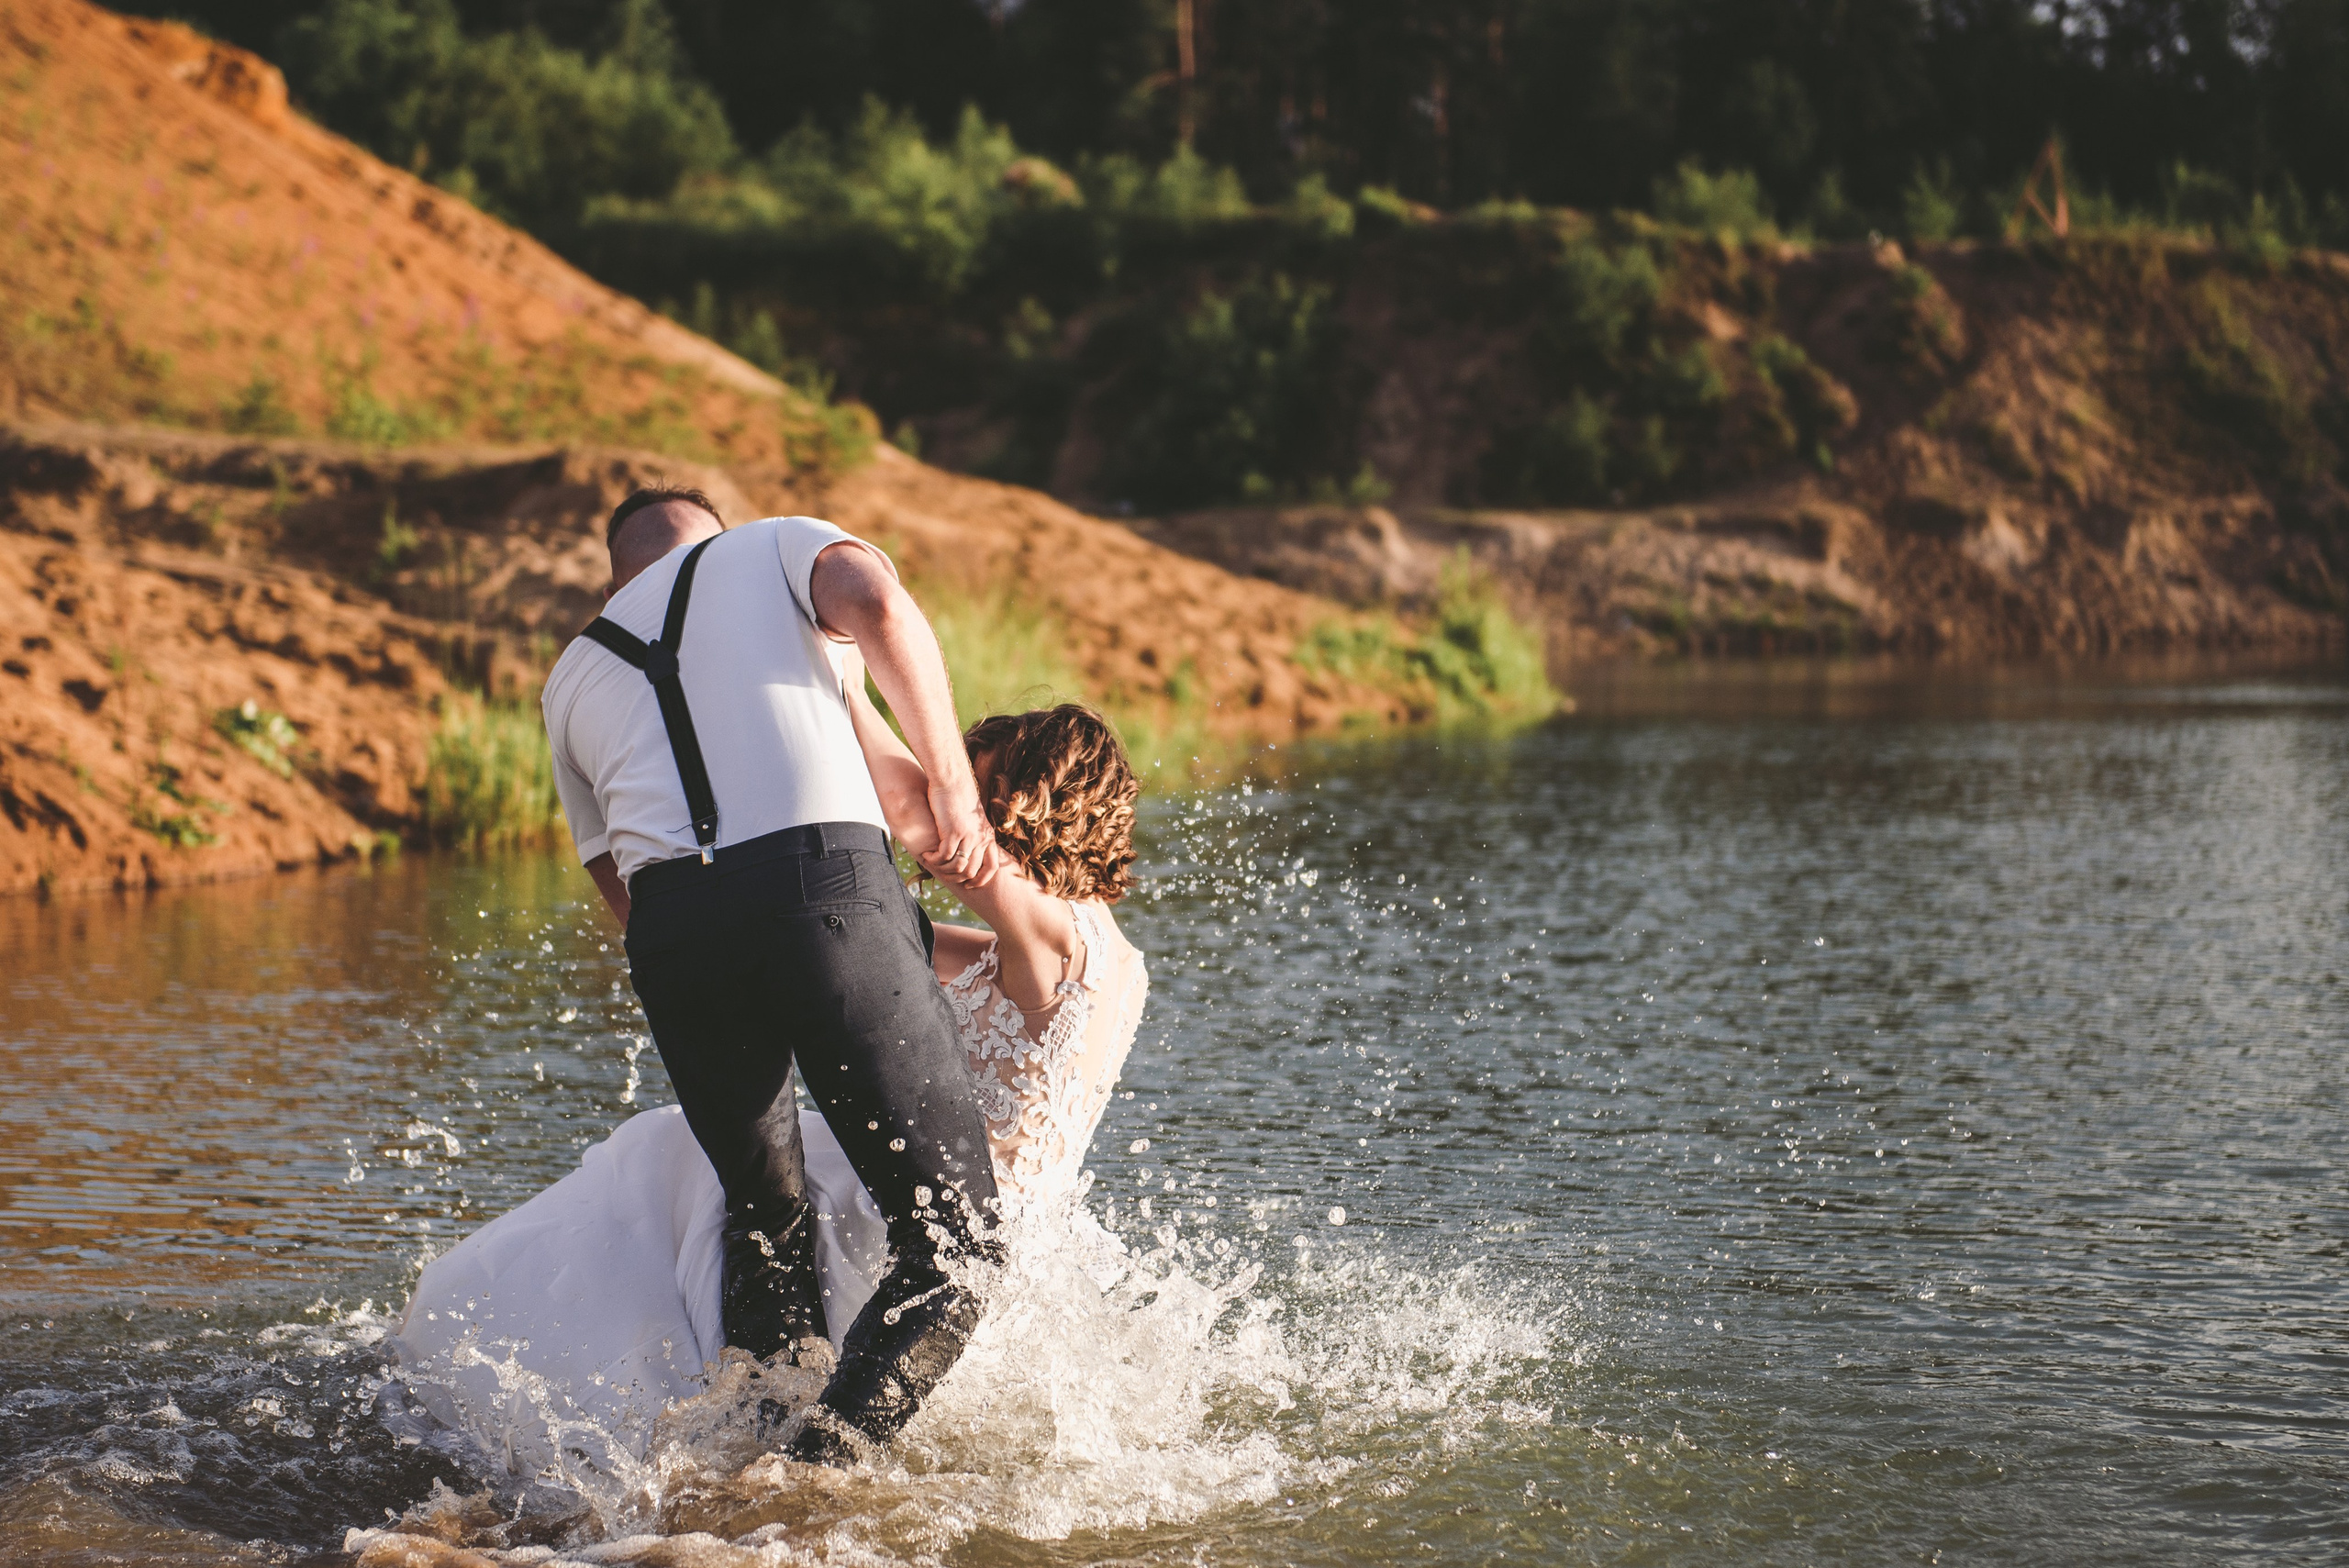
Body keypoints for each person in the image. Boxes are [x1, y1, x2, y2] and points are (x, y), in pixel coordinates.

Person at [392, 682, 1152, 1478]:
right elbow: (900, 941)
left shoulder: (1056, 936)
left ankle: (607, 1406)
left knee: (674, 1156)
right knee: (698, 1152)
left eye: (971, 785)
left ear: (1019, 802)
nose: (952, 798)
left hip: (930, 1214)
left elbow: (925, 830)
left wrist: (843, 683)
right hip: (1013, 1233)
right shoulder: (1103, 955)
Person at [530, 485, 1003, 1464]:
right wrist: (955, 787)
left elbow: (611, 873)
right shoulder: (772, 546)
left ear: (619, 577)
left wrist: (703, 947)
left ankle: (737, 1460)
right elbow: (874, 598)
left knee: (766, 1219)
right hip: (822, 882)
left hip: (673, 933)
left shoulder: (571, 673)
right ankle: (813, 1477)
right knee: (957, 1246)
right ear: (716, 531)